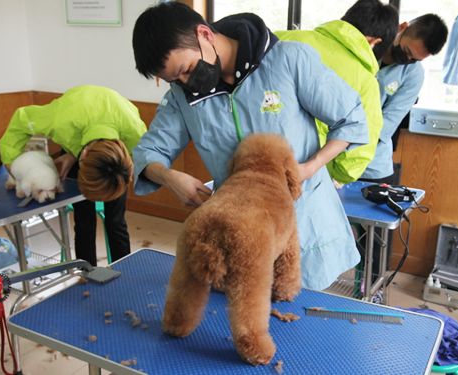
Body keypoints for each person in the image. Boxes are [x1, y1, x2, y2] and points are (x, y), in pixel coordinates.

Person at [131, 2, 370, 290]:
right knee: (247, 321)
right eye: (175, 79)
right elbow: (149, 152)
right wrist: (170, 177)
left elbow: (351, 119)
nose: (185, 82)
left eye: (186, 69)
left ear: (205, 34)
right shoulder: (184, 95)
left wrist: (309, 168)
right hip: (240, 233)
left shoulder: (288, 60)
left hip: (305, 224)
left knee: (306, 320)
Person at [0, 85, 147, 266]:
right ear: (82, 157)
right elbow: (21, 120)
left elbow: (142, 165)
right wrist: (12, 164)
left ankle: (124, 271)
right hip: (75, 122)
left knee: (116, 221)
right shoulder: (59, 120)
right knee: (84, 222)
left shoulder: (136, 135)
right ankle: (86, 274)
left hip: (109, 153)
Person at [276, 0, 399, 185]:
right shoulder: (365, 80)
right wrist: (337, 177)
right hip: (310, 175)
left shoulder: (281, 39)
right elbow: (360, 146)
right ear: (374, 42)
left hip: (253, 159)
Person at [360, 14, 448, 184]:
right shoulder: (367, 45)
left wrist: (345, 147)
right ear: (402, 28)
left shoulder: (414, 74)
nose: (407, 59)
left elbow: (388, 122)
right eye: (408, 51)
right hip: (329, 153)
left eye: (414, 59)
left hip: (372, 163)